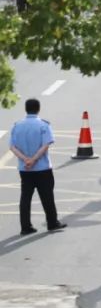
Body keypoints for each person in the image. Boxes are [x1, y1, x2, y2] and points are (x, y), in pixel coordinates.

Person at [10, 98, 65, 235]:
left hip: (25, 169)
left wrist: (25, 160)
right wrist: (34, 159)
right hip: (42, 168)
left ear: (26, 109)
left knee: (25, 198)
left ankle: (25, 226)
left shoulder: (17, 125)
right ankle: (52, 223)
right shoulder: (43, 125)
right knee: (47, 197)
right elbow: (45, 146)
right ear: (38, 109)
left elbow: (12, 147)